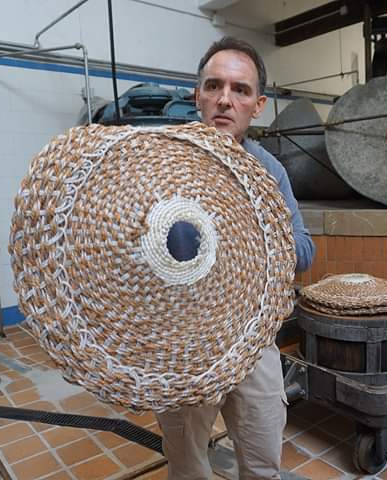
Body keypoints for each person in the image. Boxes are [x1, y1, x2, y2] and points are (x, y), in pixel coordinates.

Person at [155, 36, 315, 480]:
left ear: (258, 105)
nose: (225, 99)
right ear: (198, 96)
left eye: (240, 90)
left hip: (252, 337)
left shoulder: (270, 171)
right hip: (183, 341)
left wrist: (243, 238)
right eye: (214, 86)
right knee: (187, 465)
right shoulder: (160, 164)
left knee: (263, 458)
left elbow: (304, 249)